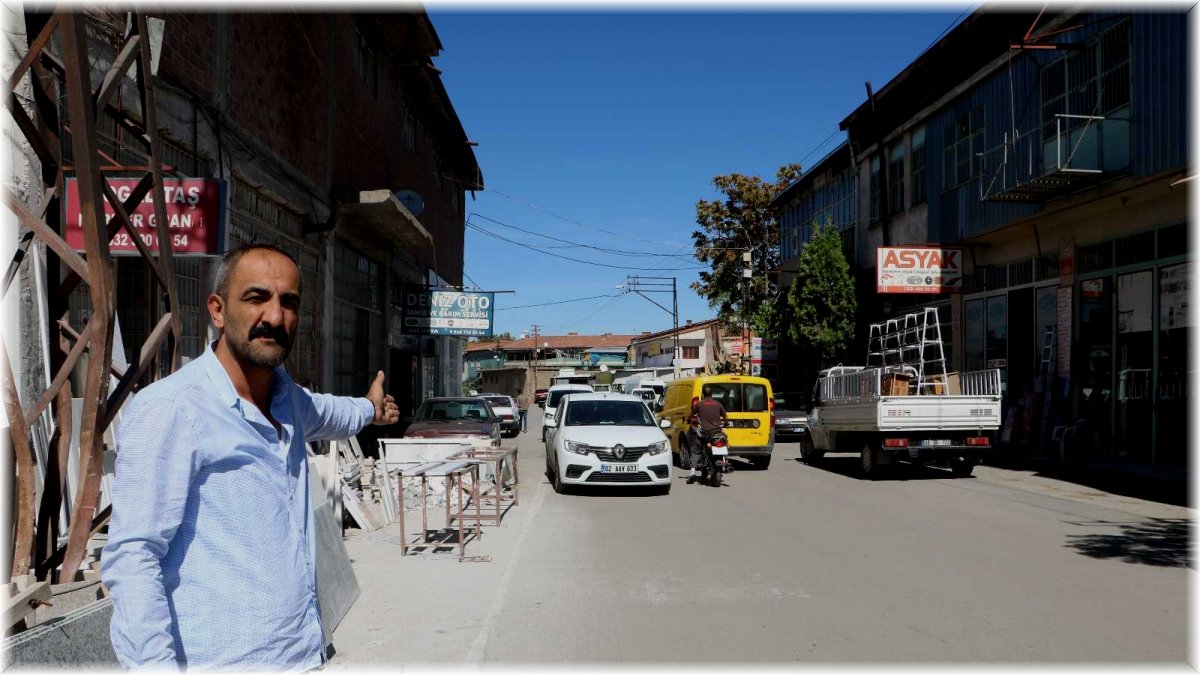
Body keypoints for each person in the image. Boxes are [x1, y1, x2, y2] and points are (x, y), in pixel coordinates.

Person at [101, 243, 400, 671]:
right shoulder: (173, 409)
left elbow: (333, 412)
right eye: (256, 298)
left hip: (302, 655)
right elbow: (134, 557)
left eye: (288, 302)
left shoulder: (288, 401)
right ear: (218, 310)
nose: (275, 317)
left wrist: (371, 409)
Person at [687, 384, 728, 484]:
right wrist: (726, 423)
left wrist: (689, 420)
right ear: (712, 394)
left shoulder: (699, 404)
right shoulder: (718, 404)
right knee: (723, 444)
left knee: (696, 449)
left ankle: (692, 471)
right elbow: (725, 417)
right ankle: (724, 462)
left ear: (703, 394)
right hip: (717, 433)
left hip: (704, 434)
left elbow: (691, 415)